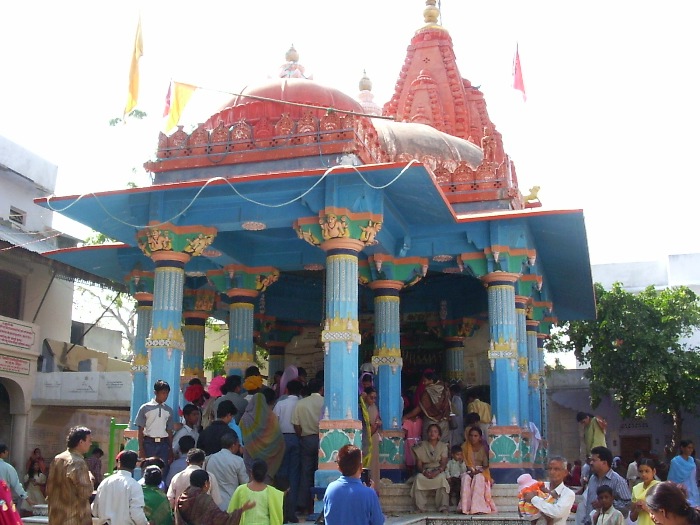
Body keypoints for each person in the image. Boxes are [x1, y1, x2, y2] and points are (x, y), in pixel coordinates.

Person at [322, 444, 384, 525]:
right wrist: (370, 494)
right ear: (361, 467)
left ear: (339, 467)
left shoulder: (330, 489)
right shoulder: (369, 494)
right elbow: (378, 522)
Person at [47, 426, 94, 525]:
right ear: (81, 442)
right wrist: (90, 477)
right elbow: (85, 491)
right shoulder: (78, 462)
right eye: (89, 441)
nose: (91, 444)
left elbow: (49, 488)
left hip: (56, 516)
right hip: (74, 517)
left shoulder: (58, 458)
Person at [291, 377, 324, 515]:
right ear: (321, 389)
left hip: (306, 439)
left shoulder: (301, 403)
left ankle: (303, 505)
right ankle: (320, 503)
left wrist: (302, 435)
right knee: (322, 469)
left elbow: (295, 424)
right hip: (323, 438)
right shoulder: (325, 402)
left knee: (306, 472)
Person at [175, 469, 255, 525]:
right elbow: (221, 519)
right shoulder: (205, 500)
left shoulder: (181, 497)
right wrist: (241, 510)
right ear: (206, 483)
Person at [272, 378, 302, 523]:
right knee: (294, 475)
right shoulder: (301, 403)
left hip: (282, 439)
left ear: (287, 390)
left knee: (281, 475)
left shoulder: (280, 404)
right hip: (297, 438)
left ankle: (280, 509)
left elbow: (274, 423)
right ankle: (292, 510)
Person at [92, 450, 149, 525]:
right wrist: (145, 523)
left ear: (119, 463)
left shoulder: (105, 482)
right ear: (135, 465)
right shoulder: (134, 485)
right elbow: (136, 513)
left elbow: (94, 510)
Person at [240, 393, 285, 482]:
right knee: (266, 478)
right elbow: (278, 436)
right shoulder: (271, 416)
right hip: (270, 456)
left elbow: (241, 432)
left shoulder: (246, 418)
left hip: (250, 453)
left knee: (250, 477)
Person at [583, 446, 631, 525]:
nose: (591, 463)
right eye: (591, 460)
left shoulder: (618, 480)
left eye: (594, 460)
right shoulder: (592, 478)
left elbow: (627, 506)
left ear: (604, 462)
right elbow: (589, 503)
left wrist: (607, 503)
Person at [136, 380, 176, 475]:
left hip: (163, 444)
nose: (165, 396)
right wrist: (141, 449)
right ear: (155, 392)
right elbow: (140, 430)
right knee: (148, 470)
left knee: (163, 470)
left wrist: (170, 449)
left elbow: (169, 431)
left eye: (167, 393)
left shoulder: (168, 410)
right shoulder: (145, 408)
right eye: (163, 393)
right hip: (149, 443)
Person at [523, 456, 576, 525]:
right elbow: (525, 513)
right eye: (550, 469)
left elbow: (556, 512)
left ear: (565, 473)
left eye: (556, 469)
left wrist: (534, 499)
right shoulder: (539, 486)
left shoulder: (568, 493)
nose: (552, 472)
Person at [229, 459, 284, 525]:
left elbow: (231, 513)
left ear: (251, 472)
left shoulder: (240, 490)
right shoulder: (273, 493)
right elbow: (277, 516)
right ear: (266, 474)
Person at [410, 423, 450, 513]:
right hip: (426, 470)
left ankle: (443, 506)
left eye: (435, 431)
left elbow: (443, 462)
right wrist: (424, 472)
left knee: (442, 479)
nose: (432, 433)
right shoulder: (421, 446)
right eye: (430, 431)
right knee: (418, 478)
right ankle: (420, 507)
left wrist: (438, 471)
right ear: (427, 433)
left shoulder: (443, 446)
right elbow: (419, 464)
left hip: (438, 471)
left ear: (439, 435)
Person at [205, 432, 249, 511]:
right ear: (233, 445)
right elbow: (245, 483)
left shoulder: (210, 459)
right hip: (231, 502)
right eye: (238, 445)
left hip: (212, 504)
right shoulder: (238, 461)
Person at [403, 371, 452, 440]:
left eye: (425, 381)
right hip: (443, 422)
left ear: (431, 380)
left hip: (430, 422)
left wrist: (405, 416)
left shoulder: (427, 392)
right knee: (443, 445)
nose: (423, 383)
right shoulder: (445, 390)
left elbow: (418, 409)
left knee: (428, 445)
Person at [459, 425, 497, 515]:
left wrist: (478, 471)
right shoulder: (464, 447)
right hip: (468, 469)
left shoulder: (484, 447)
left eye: (475, 436)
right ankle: (465, 507)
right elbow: (463, 462)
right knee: (465, 478)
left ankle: (478, 507)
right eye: (471, 435)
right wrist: (471, 470)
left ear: (480, 437)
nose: (473, 438)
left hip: (482, 470)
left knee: (478, 478)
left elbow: (486, 465)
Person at [668, 440, 700, 507]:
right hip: (681, 489)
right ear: (682, 448)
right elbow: (672, 478)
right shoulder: (675, 461)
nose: (691, 450)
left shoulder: (692, 460)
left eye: (692, 448)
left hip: (693, 488)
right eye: (689, 447)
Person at [361, 387, 381, 485]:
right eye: (371, 397)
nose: (373, 400)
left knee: (374, 463)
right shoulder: (363, 408)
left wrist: (378, 424)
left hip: (374, 437)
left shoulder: (374, 408)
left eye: (375, 398)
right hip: (366, 437)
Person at [630, 458, 659, 525]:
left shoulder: (659, 487)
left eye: (647, 471)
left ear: (654, 471)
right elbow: (632, 518)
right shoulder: (636, 489)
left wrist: (646, 508)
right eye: (641, 471)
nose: (643, 474)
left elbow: (665, 514)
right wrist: (637, 510)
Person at [402, 407, 422, 478]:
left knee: (410, 458)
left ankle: (410, 475)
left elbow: (404, 433)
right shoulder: (420, 421)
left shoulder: (406, 422)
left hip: (409, 442)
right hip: (417, 441)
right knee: (414, 458)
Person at [449, 383, 465, 448]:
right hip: (458, 420)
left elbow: (453, 411)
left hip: (455, 420)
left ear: (452, 391)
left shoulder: (455, 399)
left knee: (455, 438)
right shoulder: (459, 399)